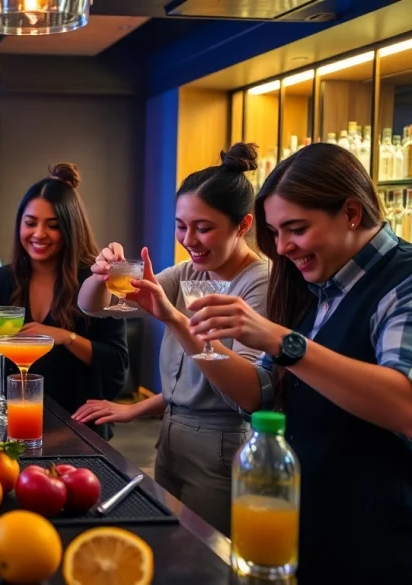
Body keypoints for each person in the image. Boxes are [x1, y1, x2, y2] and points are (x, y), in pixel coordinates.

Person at [187, 143, 412, 583]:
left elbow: (411, 408)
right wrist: (179, 323)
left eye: (296, 229)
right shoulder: (314, 289)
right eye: (275, 232)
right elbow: (259, 392)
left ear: (351, 213)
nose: (283, 247)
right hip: (314, 537)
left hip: (391, 551)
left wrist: (283, 341)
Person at [76, 143, 269, 535]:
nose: (189, 239)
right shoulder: (188, 273)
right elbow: (93, 308)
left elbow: (244, 390)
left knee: (200, 556)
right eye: (182, 225)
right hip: (171, 436)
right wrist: (101, 275)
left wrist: (175, 318)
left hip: (221, 444)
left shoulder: (260, 282)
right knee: (167, 543)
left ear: (243, 225)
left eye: (204, 227)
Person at [0, 163, 128, 421]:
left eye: (53, 225)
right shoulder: (2, 280)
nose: (39, 234)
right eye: (30, 223)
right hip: (8, 421)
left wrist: (65, 337)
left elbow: (116, 362)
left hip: (74, 423)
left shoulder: (94, 280)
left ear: (70, 229)